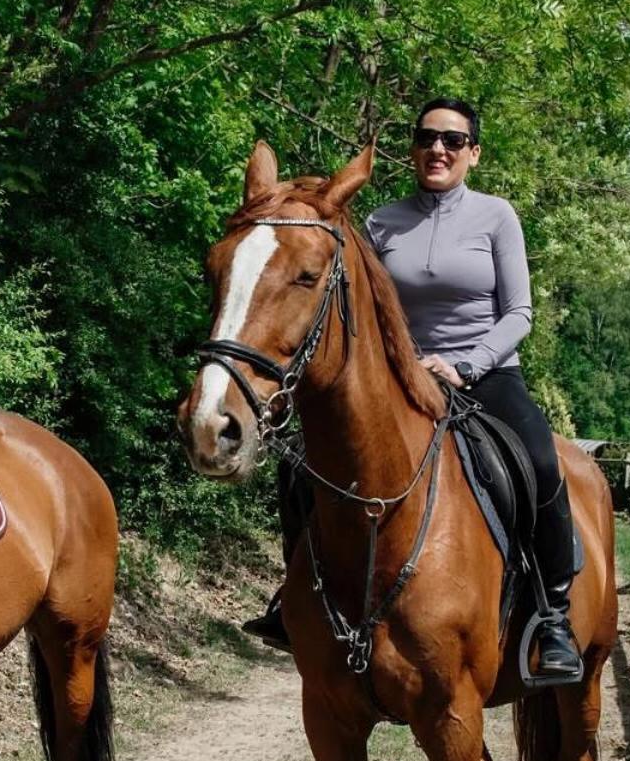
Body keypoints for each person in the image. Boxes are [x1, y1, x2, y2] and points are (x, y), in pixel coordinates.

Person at [245, 97, 583, 683]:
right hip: (401, 378)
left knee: (539, 461)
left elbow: (519, 313)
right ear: (412, 149)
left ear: (474, 153)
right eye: (427, 138)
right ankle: (296, 595)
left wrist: (467, 364)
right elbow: (361, 310)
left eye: (453, 140)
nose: (438, 149)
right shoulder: (381, 224)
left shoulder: (496, 217)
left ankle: (553, 616)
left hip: (486, 373)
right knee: (300, 466)